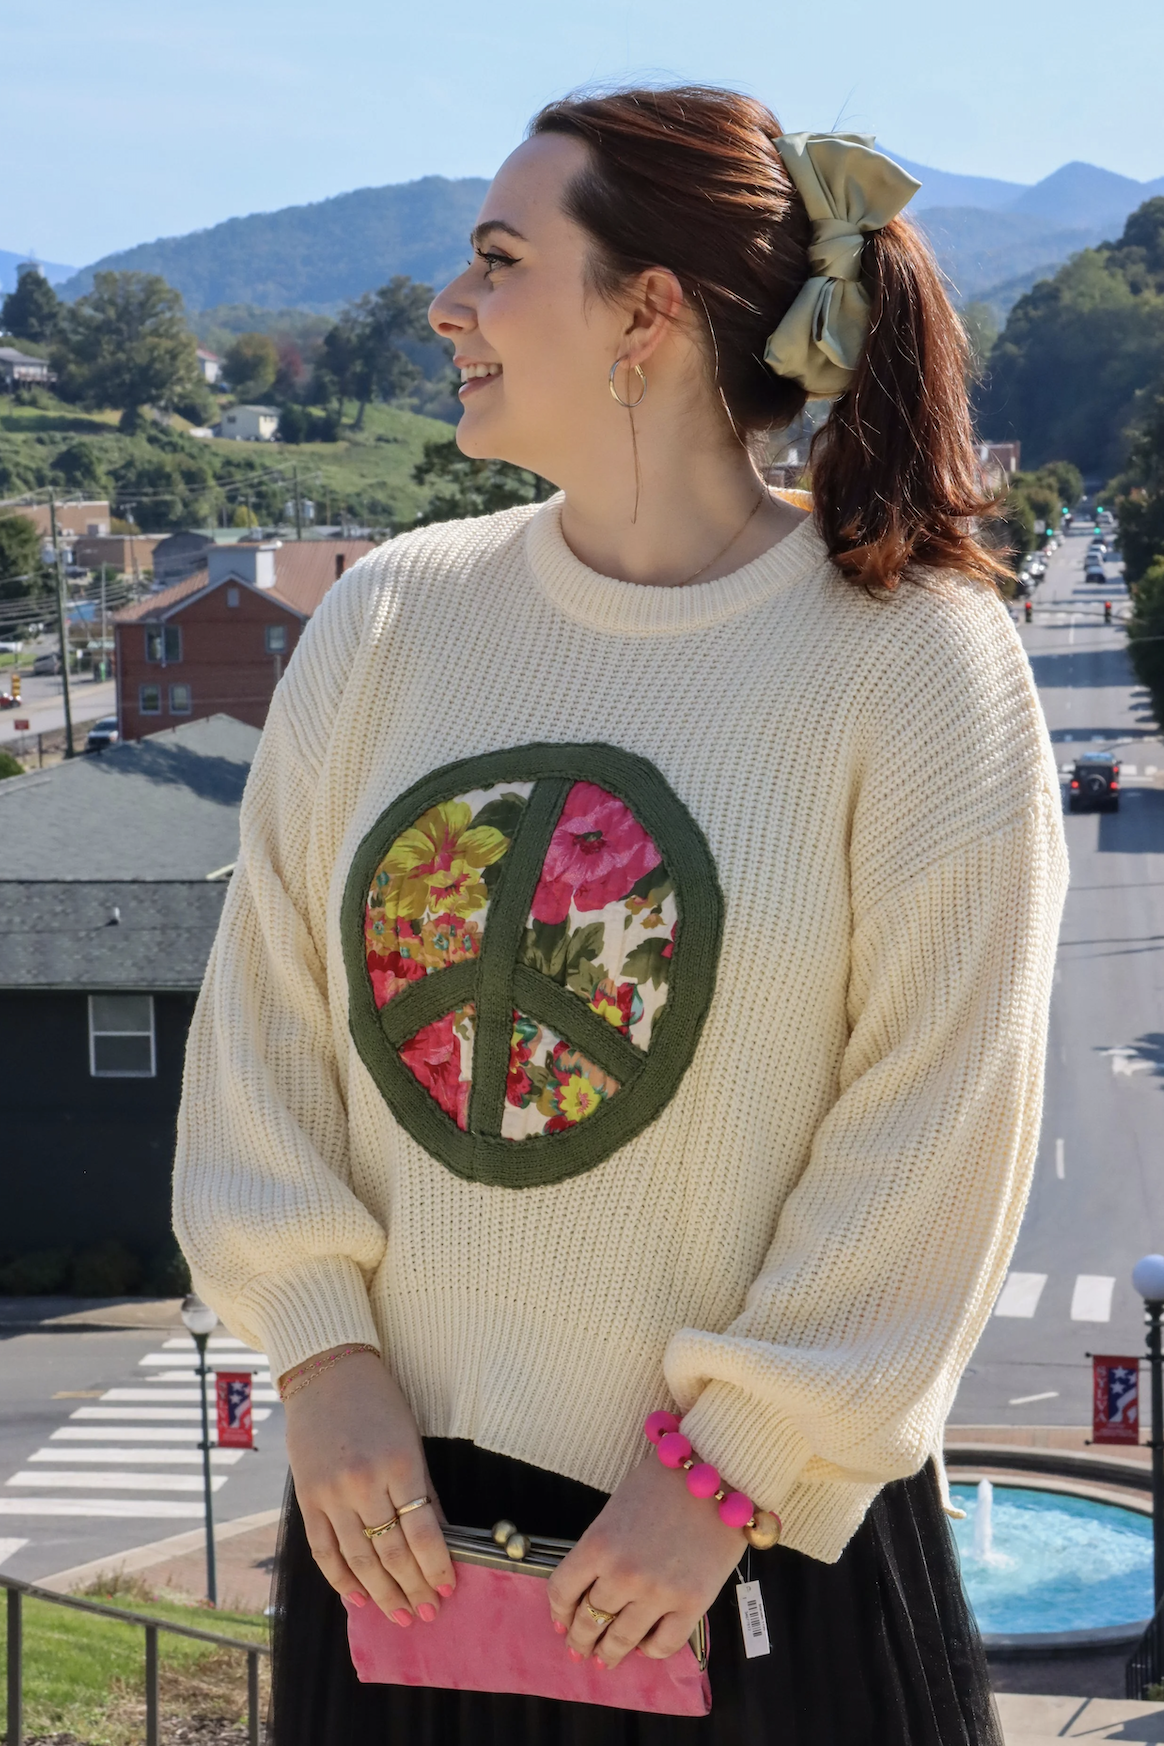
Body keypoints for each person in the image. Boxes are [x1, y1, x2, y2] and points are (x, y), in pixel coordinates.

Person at [173, 86, 1067, 1745]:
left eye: (502, 262)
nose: (451, 305)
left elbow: (938, 1119)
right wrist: (316, 1352)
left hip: (745, 1570)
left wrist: (728, 1465)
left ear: (648, 312)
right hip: (397, 1553)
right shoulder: (388, 622)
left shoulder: (916, 661)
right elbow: (269, 1018)